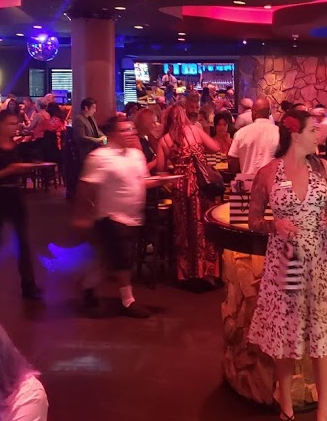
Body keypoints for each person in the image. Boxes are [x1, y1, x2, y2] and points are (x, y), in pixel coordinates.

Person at [247, 108, 327, 421]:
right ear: (295, 134)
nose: (319, 135)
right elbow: (254, 220)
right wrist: (274, 224)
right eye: (313, 130)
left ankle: (324, 412)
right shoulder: (267, 173)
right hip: (284, 261)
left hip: (317, 260)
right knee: (284, 336)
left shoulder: (322, 167)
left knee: (319, 338)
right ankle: (287, 406)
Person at [75, 117, 160, 318]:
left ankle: (87, 285)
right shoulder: (100, 157)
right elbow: (85, 187)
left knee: (109, 261)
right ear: (112, 134)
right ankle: (128, 301)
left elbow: (143, 181)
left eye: (131, 129)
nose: (130, 133)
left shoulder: (136, 155)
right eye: (124, 130)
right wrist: (82, 214)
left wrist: (162, 180)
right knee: (123, 259)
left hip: (132, 216)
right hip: (110, 216)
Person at [0, 112, 43, 300]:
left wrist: (24, 168)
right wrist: (9, 170)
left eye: (16, 123)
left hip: (15, 194)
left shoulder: (13, 144)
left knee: (22, 239)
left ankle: (28, 285)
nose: (15, 127)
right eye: (11, 124)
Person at [156, 104, 222, 286]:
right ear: (184, 116)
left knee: (183, 229)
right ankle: (208, 272)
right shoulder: (194, 130)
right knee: (205, 226)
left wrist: (177, 167)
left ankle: (187, 273)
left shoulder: (164, 140)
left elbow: (161, 170)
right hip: (201, 186)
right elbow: (216, 147)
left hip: (180, 187)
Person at [227, 97, 280, 180]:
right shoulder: (280, 132)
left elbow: (232, 164)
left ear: (254, 113)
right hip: (272, 182)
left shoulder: (241, 133)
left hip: (248, 182)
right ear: (269, 113)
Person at [134, 107, 161, 172]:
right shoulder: (136, 141)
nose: (156, 125)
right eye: (153, 122)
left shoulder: (145, 138)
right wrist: (158, 160)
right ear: (146, 123)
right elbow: (141, 169)